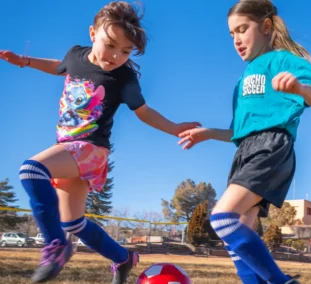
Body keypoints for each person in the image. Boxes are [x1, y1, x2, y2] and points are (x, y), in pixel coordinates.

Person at [0, 1, 200, 283]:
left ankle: (55, 245)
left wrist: (175, 127)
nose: (116, 56)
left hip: (90, 148)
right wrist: (26, 61)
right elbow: (59, 67)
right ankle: (123, 257)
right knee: (73, 222)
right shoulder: (75, 55)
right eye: (111, 45)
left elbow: (145, 112)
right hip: (68, 148)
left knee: (31, 170)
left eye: (126, 51)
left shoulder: (125, 77)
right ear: (93, 34)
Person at [178, 0, 311, 283]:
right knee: (233, 234)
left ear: (265, 27)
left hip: (271, 147)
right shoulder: (242, 81)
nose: (236, 39)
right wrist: (209, 133)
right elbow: (239, 132)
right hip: (245, 152)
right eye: (231, 34)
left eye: (242, 29)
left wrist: (299, 87)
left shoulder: (281, 60)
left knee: (222, 218)